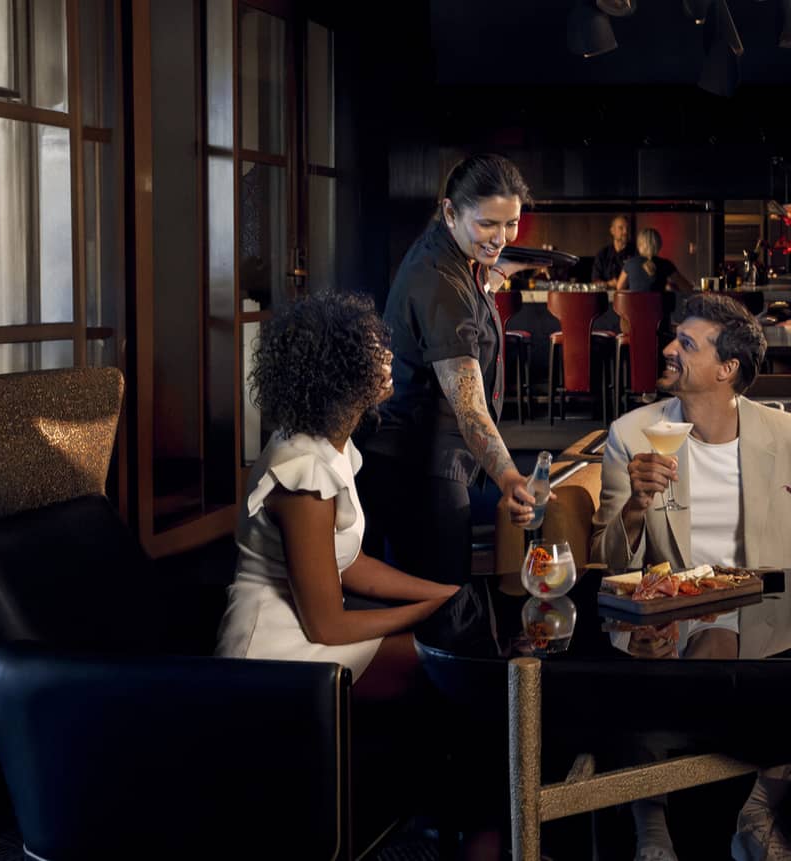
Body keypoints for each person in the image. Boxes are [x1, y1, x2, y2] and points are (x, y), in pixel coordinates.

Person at [590, 293, 791, 861]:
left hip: (768, 608)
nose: (668, 349)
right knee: (653, 666)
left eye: (687, 344)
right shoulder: (633, 434)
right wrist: (636, 505)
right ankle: (653, 824)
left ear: (727, 369)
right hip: (670, 609)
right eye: (674, 337)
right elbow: (608, 560)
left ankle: (754, 810)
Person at [215, 291, 459, 699]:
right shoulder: (304, 476)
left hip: (308, 634)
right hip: (273, 655)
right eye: (372, 352)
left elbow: (350, 564)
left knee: (453, 649)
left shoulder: (331, 444)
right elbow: (326, 627)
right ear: (339, 372)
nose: (387, 357)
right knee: (444, 663)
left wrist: (446, 594)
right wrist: (431, 612)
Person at [357, 153, 549, 586]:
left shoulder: (452, 253)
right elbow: (470, 408)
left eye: (511, 223)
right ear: (450, 212)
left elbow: (471, 301)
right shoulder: (439, 281)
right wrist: (509, 477)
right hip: (418, 465)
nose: (501, 237)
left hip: (432, 456)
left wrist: (496, 274)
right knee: (445, 596)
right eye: (488, 224)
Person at [615, 227, 695, 294]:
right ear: (659, 245)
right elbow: (687, 288)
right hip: (659, 308)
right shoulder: (666, 264)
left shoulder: (630, 263)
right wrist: (672, 286)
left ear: (639, 245)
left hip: (633, 308)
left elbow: (619, 288)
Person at [592, 214, 639, 287]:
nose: (625, 232)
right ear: (612, 231)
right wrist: (608, 284)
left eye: (627, 228)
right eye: (621, 228)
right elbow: (595, 281)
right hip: (606, 294)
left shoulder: (636, 252)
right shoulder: (602, 254)